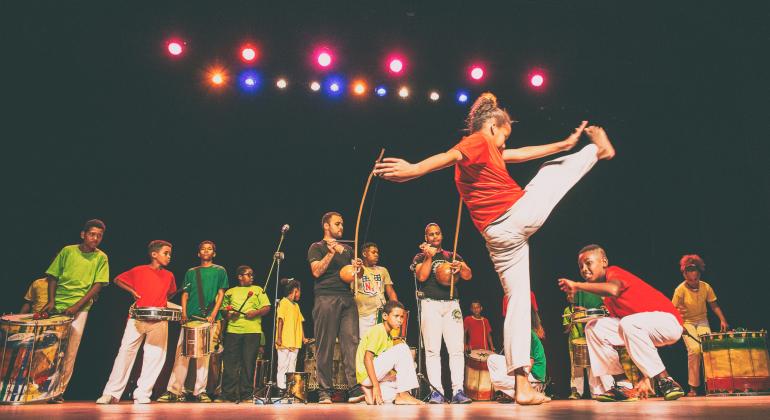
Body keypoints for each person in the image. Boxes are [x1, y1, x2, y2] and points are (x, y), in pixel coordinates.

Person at [375, 92, 615, 404]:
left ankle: (522, 386)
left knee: (517, 302)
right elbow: (450, 155)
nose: (504, 144)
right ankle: (597, 151)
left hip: (497, 238)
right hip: (514, 216)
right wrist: (415, 169)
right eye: (503, 136)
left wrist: (563, 144)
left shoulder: (488, 149)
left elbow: (521, 154)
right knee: (550, 173)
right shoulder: (478, 141)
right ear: (491, 126)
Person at [558, 244, 685, 402]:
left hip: (668, 322)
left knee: (627, 323)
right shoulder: (608, 301)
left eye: (588, 263)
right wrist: (644, 376)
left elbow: (613, 289)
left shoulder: (614, 273)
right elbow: (636, 341)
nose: (584, 269)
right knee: (594, 327)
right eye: (580, 266)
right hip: (642, 326)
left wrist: (577, 285)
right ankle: (623, 385)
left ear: (604, 262)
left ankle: (666, 380)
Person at [96, 240, 176, 404]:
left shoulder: (169, 275)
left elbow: (171, 293)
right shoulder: (139, 270)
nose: (169, 256)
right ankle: (111, 393)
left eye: (170, 254)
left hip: (159, 320)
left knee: (154, 357)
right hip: (136, 319)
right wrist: (133, 291)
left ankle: (142, 393)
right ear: (154, 254)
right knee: (125, 353)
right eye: (165, 253)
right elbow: (118, 279)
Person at [41, 219, 110, 402]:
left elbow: (97, 285)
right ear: (83, 234)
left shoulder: (101, 257)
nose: (95, 238)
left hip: (80, 308)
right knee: (49, 349)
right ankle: (40, 390)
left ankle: (58, 392)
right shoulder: (67, 251)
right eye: (92, 234)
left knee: (70, 351)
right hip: (58, 306)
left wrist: (77, 307)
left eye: (99, 236)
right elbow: (53, 276)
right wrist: (51, 301)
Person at [411, 222, 473, 404]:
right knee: (432, 350)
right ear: (426, 238)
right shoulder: (420, 256)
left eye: (437, 233)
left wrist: (460, 267)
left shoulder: (452, 255)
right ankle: (436, 391)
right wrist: (428, 257)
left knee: (456, 350)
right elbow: (421, 277)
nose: (435, 237)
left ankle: (458, 391)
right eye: (431, 234)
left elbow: (469, 275)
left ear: (442, 236)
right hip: (430, 304)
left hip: (452, 304)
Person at [158, 240, 228, 403]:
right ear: (198, 253)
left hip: (208, 318)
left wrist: (213, 314)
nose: (206, 251)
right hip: (190, 318)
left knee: (204, 356)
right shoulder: (191, 272)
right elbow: (185, 294)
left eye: (209, 249)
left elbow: (221, 294)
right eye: (203, 249)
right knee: (182, 354)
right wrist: (184, 312)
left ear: (214, 253)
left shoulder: (219, 271)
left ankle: (200, 391)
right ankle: (174, 390)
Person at [307, 212, 364, 404]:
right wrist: (331, 253)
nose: (341, 227)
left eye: (342, 224)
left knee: (351, 342)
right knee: (325, 344)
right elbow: (316, 271)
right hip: (326, 297)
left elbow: (355, 276)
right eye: (337, 224)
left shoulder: (347, 250)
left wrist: (359, 268)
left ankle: (354, 388)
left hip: (346, 298)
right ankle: (325, 391)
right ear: (326, 226)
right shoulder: (317, 247)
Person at [672, 254, 729, 396]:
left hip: (702, 320)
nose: (693, 280)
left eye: (696, 277)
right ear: (685, 275)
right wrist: (680, 324)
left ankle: (714, 385)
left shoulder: (705, 287)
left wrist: (723, 319)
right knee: (695, 350)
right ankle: (693, 388)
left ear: (699, 273)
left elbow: (714, 305)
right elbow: (672, 311)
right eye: (689, 276)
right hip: (687, 322)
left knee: (708, 349)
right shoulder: (680, 290)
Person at [356, 300, 423, 405]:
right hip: (366, 375)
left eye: (402, 317)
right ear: (385, 316)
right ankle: (404, 395)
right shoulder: (378, 330)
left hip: (372, 377)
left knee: (398, 381)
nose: (400, 320)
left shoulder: (389, 336)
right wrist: (376, 385)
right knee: (403, 348)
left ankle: (371, 395)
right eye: (396, 316)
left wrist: (389, 377)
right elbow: (367, 359)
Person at [221, 265, 271, 402]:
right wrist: (231, 314)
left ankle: (246, 394)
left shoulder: (258, 290)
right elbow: (224, 311)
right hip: (233, 331)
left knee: (249, 363)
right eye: (248, 274)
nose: (252, 277)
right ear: (240, 276)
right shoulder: (230, 291)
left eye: (252, 274)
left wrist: (256, 312)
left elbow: (267, 307)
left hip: (252, 331)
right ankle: (228, 394)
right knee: (230, 364)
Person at [562, 291, 613, 399]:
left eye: (571, 295)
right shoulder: (567, 310)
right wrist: (572, 320)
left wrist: (585, 311)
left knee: (592, 367)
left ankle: (595, 392)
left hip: (589, 340)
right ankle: (576, 392)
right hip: (574, 342)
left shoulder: (586, 306)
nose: (569, 297)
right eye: (568, 295)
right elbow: (566, 330)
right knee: (576, 369)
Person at [354, 242, 398, 338]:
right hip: (363, 315)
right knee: (364, 344)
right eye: (373, 252)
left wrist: (396, 309)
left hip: (380, 314)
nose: (376, 255)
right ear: (364, 254)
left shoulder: (382, 270)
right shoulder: (356, 271)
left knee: (381, 343)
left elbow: (390, 291)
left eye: (377, 252)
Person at [487, 330, 546, 403]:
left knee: (496, 379)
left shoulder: (526, 333)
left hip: (534, 374)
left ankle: (531, 389)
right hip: (523, 367)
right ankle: (516, 393)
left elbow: (530, 360)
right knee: (492, 359)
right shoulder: (517, 333)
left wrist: (524, 381)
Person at [275, 278, 308, 393]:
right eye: (299, 291)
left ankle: (289, 389)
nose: (300, 294)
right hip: (284, 341)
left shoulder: (296, 306)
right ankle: (281, 388)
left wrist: (303, 337)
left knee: (292, 366)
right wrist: (279, 337)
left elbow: (300, 322)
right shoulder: (283, 302)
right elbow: (280, 320)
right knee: (282, 365)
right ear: (295, 290)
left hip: (295, 341)